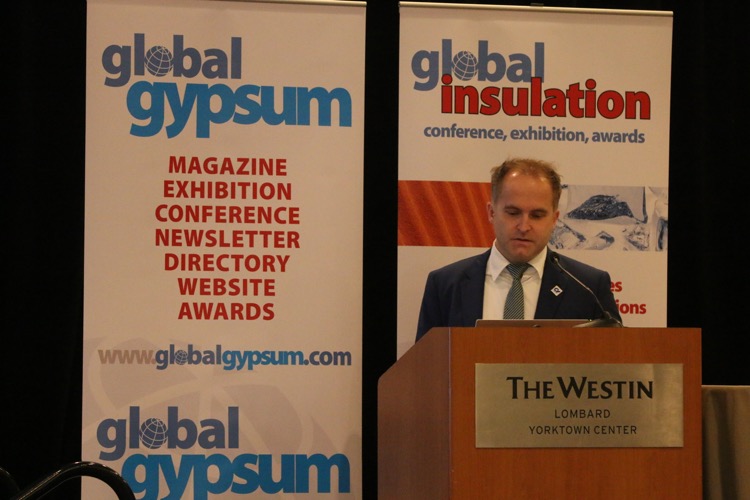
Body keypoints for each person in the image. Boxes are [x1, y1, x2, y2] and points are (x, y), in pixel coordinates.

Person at [415, 157, 622, 341]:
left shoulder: (588, 287)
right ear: (491, 212)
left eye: (537, 215)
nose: (524, 226)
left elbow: (614, 364)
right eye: (513, 213)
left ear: (554, 220)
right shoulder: (445, 285)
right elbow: (427, 365)